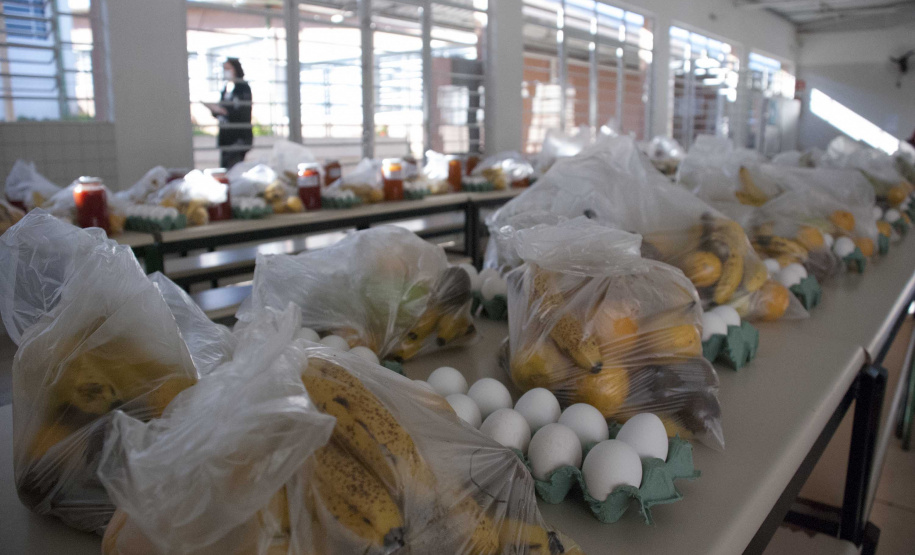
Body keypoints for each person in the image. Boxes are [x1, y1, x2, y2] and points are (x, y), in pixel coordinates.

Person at [205, 58, 253, 169]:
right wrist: (215, 110)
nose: (225, 71)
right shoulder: (226, 88)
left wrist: (225, 112)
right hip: (226, 139)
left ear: (236, 69)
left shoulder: (243, 88)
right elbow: (222, 110)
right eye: (224, 69)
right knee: (225, 169)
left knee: (234, 170)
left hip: (238, 138)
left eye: (228, 68)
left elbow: (243, 112)